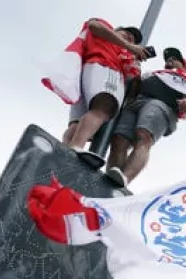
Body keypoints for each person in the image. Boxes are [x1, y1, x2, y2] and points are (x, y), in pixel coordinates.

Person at [44, 18, 149, 167]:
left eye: (133, 39)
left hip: (87, 74)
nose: (129, 37)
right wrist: (129, 46)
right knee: (104, 107)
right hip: (104, 68)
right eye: (126, 32)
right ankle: (75, 147)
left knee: (77, 123)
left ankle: (64, 151)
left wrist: (135, 64)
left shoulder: (124, 55)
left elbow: (132, 85)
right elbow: (94, 25)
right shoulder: (106, 30)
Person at [105, 47, 186, 187]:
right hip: (135, 102)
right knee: (119, 139)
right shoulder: (154, 74)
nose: (170, 60)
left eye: (175, 59)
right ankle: (112, 180)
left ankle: (125, 179)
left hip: (161, 105)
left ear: (183, 64)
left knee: (144, 135)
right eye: (168, 59)